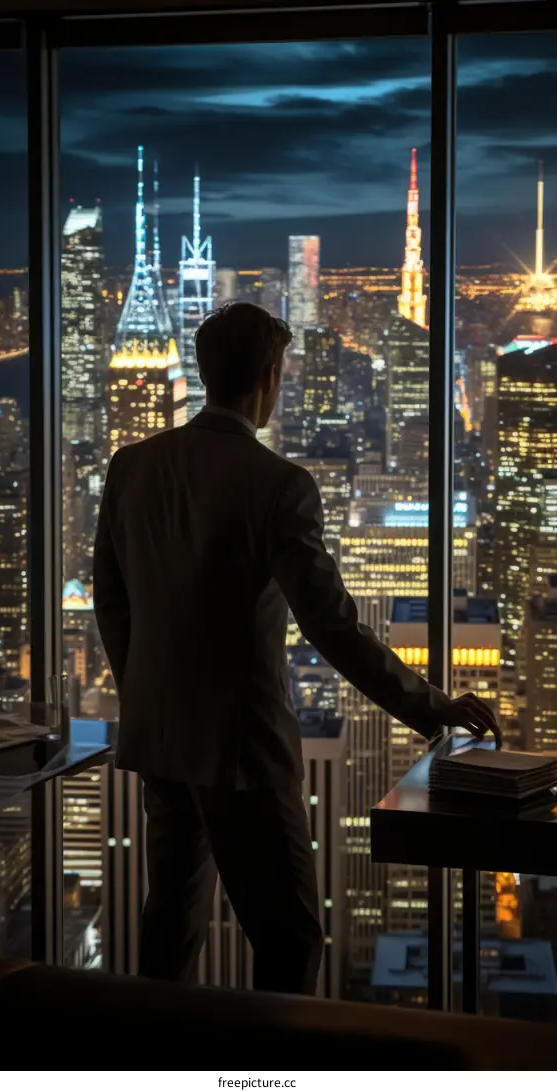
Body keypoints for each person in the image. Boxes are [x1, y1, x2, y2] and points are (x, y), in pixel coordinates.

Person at [93, 301, 501, 995]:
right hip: (243, 747)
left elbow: (113, 601)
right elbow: (332, 625)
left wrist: (144, 689)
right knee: (291, 937)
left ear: (206, 372)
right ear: (271, 377)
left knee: (169, 926)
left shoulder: (132, 465)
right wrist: (430, 705)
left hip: (159, 732)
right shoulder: (279, 484)